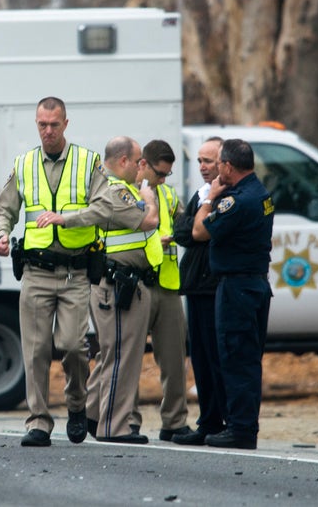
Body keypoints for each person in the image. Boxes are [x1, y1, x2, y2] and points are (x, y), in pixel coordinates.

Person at [0, 96, 111, 447]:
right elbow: (4, 210)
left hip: (75, 272)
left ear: (66, 124)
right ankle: (39, 421)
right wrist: (0, 234)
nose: (47, 131)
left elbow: (105, 208)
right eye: (41, 125)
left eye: (53, 125)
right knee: (35, 350)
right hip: (36, 272)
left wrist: (68, 218)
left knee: (73, 348)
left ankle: (77, 404)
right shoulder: (25, 164)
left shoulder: (88, 162)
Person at [191, 138, 274, 450]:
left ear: (227, 165)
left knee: (236, 357)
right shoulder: (260, 192)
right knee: (248, 358)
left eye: (217, 164)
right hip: (254, 284)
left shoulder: (235, 201)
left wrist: (210, 199)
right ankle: (244, 425)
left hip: (237, 287)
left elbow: (200, 231)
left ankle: (240, 429)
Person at [80, 136, 161, 444]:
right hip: (117, 285)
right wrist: (148, 196)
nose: (142, 166)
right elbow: (149, 220)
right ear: (124, 161)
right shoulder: (115, 190)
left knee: (113, 354)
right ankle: (114, 426)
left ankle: (92, 415)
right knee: (122, 356)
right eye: (139, 160)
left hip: (122, 282)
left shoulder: (116, 189)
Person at [131, 139, 194, 442]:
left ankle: (174, 421)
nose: (164, 179)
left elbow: (184, 227)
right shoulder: (126, 193)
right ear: (143, 164)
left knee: (174, 360)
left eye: (168, 174)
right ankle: (127, 420)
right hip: (137, 283)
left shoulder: (168, 194)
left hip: (167, 286)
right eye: (160, 173)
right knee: (128, 358)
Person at [171, 136, 227, 446]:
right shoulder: (202, 194)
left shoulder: (224, 197)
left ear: (225, 163)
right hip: (196, 286)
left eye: (210, 161)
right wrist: (194, 229)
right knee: (201, 359)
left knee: (217, 358)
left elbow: (200, 232)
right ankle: (208, 421)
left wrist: (195, 229)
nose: (203, 167)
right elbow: (184, 231)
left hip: (213, 286)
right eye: (200, 161)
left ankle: (222, 421)